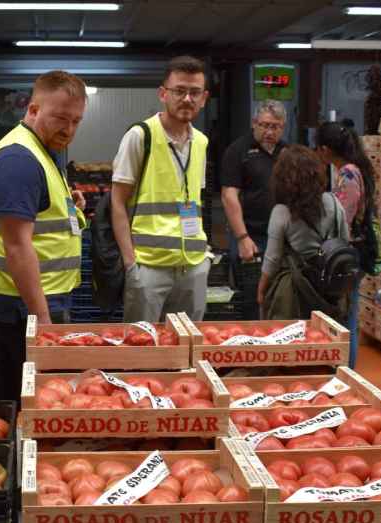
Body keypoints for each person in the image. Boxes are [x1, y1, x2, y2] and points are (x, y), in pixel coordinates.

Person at [0, 70, 87, 403]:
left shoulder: (38, 149)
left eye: (76, 121)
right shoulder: (18, 160)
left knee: (17, 391)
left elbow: (37, 221)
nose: (68, 129)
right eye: (60, 118)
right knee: (24, 397)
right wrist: (41, 319)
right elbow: (16, 245)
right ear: (33, 109)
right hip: (24, 307)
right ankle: (6, 452)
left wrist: (70, 206)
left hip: (33, 299)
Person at [111, 55, 211, 323]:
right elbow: (117, 202)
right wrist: (131, 263)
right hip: (149, 266)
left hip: (192, 265)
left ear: (204, 98)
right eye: (179, 91)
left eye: (194, 92)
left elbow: (194, 201)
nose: (187, 99)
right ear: (163, 94)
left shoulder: (200, 142)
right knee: (143, 350)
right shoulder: (140, 136)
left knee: (188, 349)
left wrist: (204, 258)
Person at [257, 145, 349, 320]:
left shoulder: (282, 212)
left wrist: (261, 289)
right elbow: (344, 241)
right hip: (329, 288)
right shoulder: (334, 202)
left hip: (294, 291)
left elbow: (273, 259)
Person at [316, 120, 377, 368]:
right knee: (346, 315)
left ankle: (346, 371)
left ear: (326, 150)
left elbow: (344, 217)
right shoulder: (351, 169)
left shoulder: (348, 174)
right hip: (351, 252)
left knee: (346, 317)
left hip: (349, 255)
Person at [220, 100, 287, 319]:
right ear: (254, 123)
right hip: (250, 236)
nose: (269, 131)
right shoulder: (238, 150)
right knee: (251, 298)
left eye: (275, 126)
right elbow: (229, 195)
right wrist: (241, 237)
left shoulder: (287, 153)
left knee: (279, 295)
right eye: (264, 125)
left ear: (283, 127)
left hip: (282, 237)